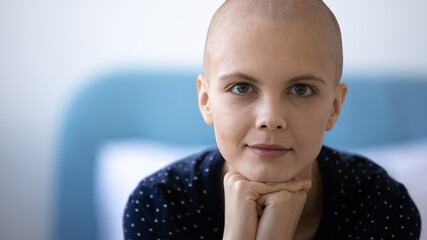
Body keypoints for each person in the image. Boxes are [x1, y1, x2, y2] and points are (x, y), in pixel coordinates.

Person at [123, 0, 421, 239]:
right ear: (206, 101)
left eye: (301, 89)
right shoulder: (159, 206)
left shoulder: (382, 207)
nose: (270, 119)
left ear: (334, 107)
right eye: (242, 87)